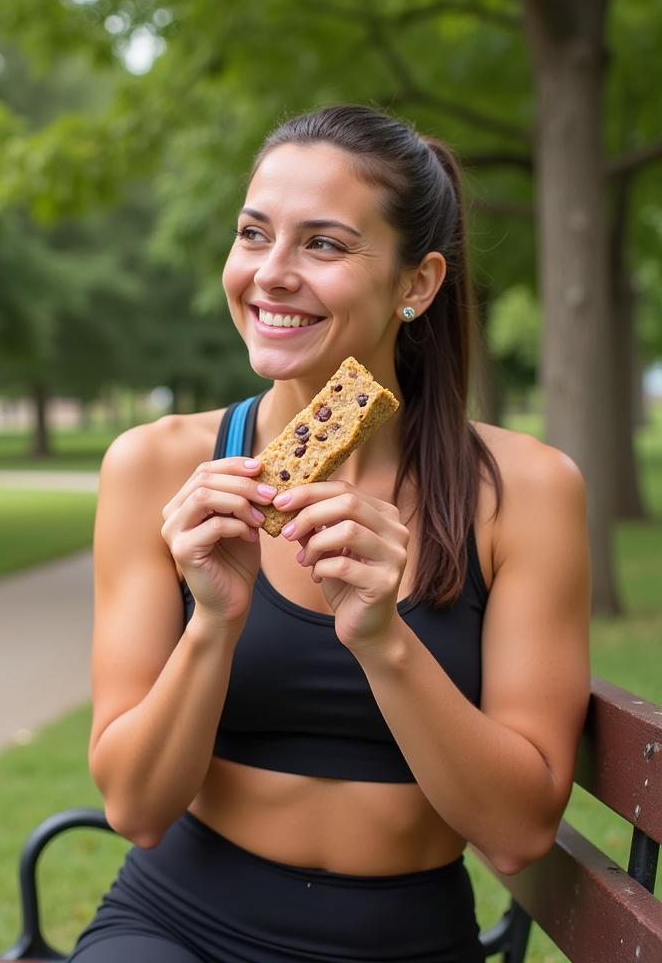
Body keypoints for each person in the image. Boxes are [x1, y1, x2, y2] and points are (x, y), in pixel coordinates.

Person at [70, 104, 591, 962]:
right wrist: (214, 622)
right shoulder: (156, 467)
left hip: (401, 940)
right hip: (178, 928)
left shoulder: (523, 491)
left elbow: (519, 832)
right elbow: (135, 808)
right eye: (253, 234)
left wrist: (382, 637)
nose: (270, 274)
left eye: (324, 244)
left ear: (416, 285)